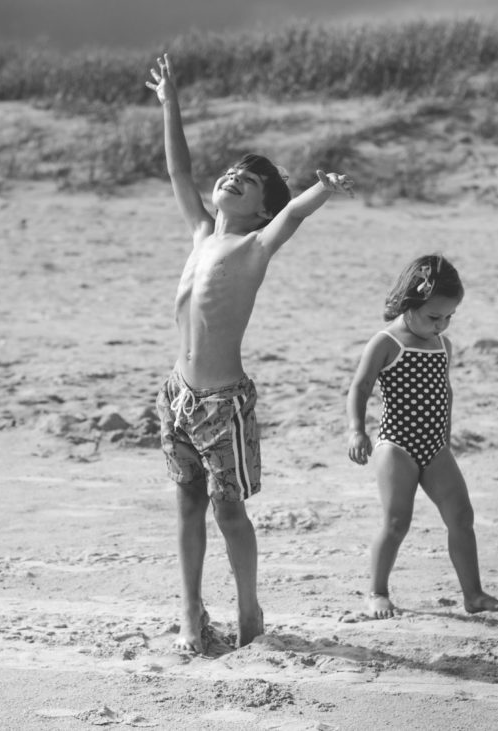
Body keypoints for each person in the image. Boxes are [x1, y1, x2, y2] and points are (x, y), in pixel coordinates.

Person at [146, 53, 354, 653]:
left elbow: (293, 214)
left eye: (250, 180)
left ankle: (248, 610)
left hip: (222, 403)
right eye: (232, 172)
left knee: (228, 510)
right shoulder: (200, 232)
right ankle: (190, 611)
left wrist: (322, 189)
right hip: (177, 395)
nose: (234, 178)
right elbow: (179, 170)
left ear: (262, 207)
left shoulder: (256, 245)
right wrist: (170, 103)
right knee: (187, 503)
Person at [346, 254, 498, 618]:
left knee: (461, 516)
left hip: (435, 447)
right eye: (435, 317)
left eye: (449, 317)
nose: (442, 325)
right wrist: (357, 430)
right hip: (396, 445)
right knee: (396, 522)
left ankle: (474, 594)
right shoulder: (386, 342)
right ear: (410, 302)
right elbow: (360, 387)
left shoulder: (442, 345)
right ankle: (376, 592)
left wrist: (446, 441)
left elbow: (445, 392)